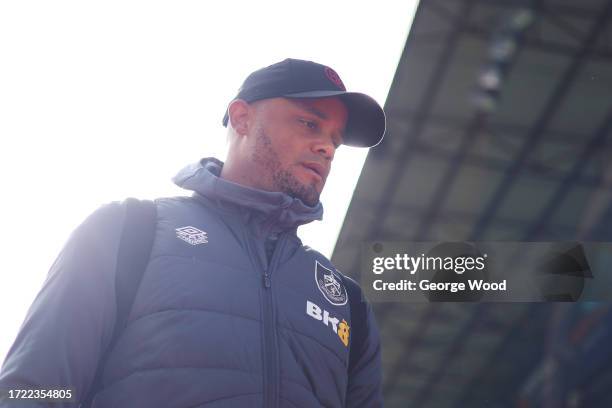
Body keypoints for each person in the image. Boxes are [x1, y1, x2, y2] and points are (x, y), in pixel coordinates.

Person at [0, 58, 386, 407]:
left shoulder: (347, 302)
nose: (327, 148)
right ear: (242, 119)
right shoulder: (129, 232)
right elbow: (31, 389)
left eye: (335, 139)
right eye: (310, 123)